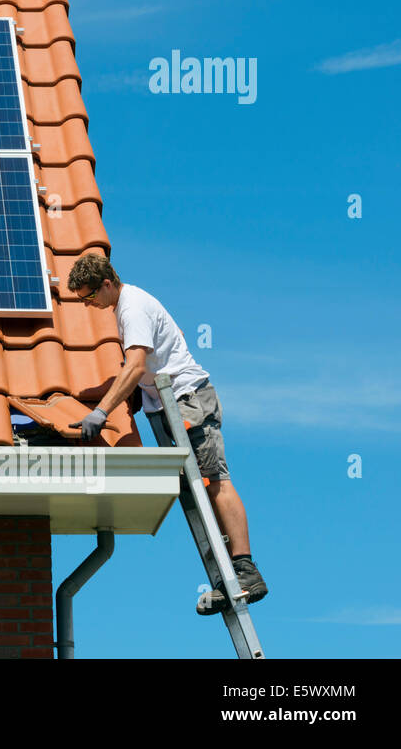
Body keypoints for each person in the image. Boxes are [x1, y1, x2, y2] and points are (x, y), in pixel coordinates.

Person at [66, 252, 267, 614]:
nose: (89, 304)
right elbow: (164, 349)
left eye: (90, 296)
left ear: (107, 283)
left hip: (190, 401)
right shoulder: (127, 306)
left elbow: (137, 364)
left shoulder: (132, 307)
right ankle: (225, 577)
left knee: (214, 480)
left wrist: (101, 411)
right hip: (171, 407)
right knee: (196, 491)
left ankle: (245, 568)